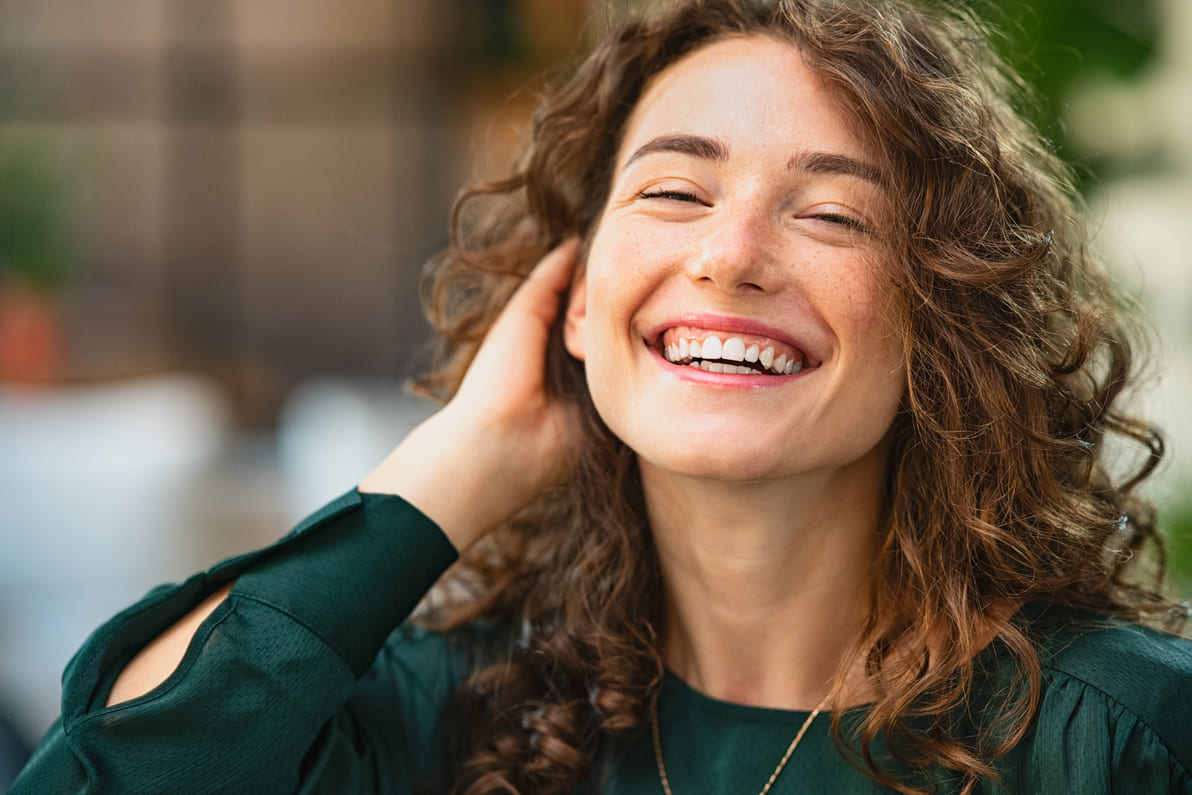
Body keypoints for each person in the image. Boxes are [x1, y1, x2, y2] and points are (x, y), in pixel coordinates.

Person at [12, 0, 1192, 792]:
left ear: (947, 320)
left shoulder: (1113, 733)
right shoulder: (455, 711)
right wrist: (464, 456)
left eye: (832, 214)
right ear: (573, 297)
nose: (730, 257)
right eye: (674, 193)